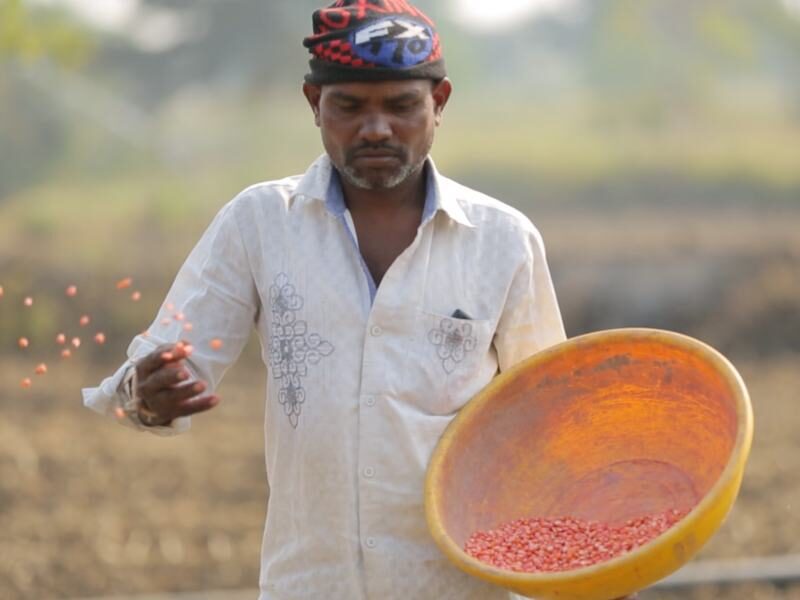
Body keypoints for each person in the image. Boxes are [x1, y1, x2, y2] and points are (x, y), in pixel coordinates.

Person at [84, 2, 634, 599]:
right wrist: (147, 397)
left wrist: (595, 554)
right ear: (314, 104)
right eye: (349, 106)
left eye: (401, 105)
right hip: (310, 584)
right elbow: (165, 366)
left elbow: (546, 421)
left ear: (439, 102)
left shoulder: (502, 241)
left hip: (455, 587)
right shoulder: (260, 223)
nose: (376, 129)